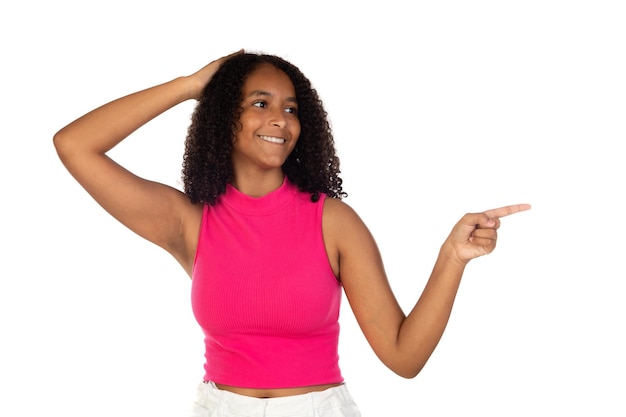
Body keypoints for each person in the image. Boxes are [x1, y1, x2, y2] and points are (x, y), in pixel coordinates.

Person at [53, 49, 530, 417]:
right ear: (225, 117)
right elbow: (74, 145)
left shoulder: (332, 221)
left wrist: (452, 257)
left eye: (291, 108)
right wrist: (191, 85)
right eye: (260, 104)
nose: (280, 119)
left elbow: (404, 357)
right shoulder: (191, 222)